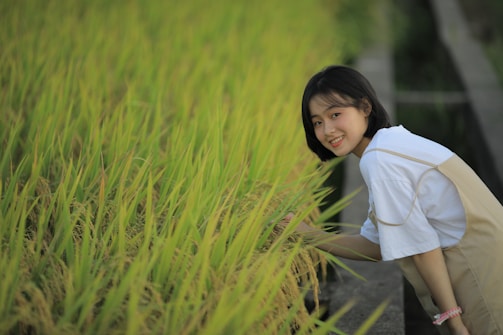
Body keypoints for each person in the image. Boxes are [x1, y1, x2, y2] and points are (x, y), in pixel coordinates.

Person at [280, 65, 503, 335]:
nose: (327, 130)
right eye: (317, 122)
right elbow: (374, 246)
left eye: (335, 114)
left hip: (486, 279)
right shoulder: (394, 143)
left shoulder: (380, 159)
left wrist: (453, 319)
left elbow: (422, 248)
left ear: (365, 107)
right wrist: (306, 234)